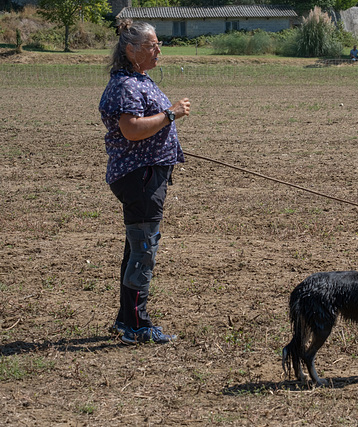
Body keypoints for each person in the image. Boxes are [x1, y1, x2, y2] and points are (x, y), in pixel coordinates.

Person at [99, 19, 191, 344]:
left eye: (157, 44)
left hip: (145, 174)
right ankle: (137, 327)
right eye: (152, 45)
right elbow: (131, 129)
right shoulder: (127, 85)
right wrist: (171, 113)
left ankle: (127, 320)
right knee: (143, 250)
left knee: (137, 246)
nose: (158, 49)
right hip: (141, 176)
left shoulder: (137, 79)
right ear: (131, 50)